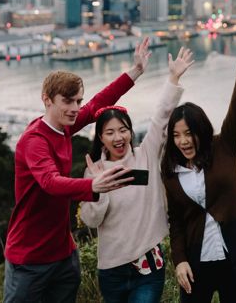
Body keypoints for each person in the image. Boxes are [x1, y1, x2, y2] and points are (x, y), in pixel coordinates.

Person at [3, 38, 153, 303]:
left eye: (77, 101)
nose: (75, 108)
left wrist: (136, 71)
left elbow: (98, 104)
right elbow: (50, 182)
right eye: (67, 101)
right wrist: (92, 186)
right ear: (47, 100)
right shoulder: (34, 140)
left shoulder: (64, 127)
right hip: (29, 259)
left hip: (63, 255)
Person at [161, 31, 236, 303]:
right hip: (197, 261)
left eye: (188, 133)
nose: (183, 141)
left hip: (235, 255)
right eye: (176, 135)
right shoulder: (171, 170)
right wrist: (180, 261)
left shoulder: (224, 146)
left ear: (201, 130)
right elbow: (176, 221)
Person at [80, 47, 194, 303]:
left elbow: (161, 118)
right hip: (111, 269)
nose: (118, 137)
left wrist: (173, 79)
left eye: (123, 130)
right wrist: (98, 189)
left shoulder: (146, 155)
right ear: (100, 138)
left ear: (131, 132)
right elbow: (91, 220)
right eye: (110, 133)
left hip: (148, 262)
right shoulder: (94, 171)